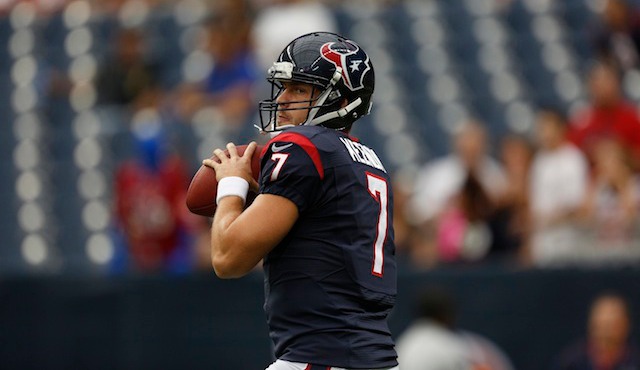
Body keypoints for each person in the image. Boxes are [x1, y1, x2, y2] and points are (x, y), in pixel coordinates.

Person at [202, 32, 398, 370]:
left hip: (320, 355)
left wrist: (231, 186)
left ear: (339, 98)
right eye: (285, 87)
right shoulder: (367, 158)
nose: (281, 100)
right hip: (371, 356)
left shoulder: (303, 145)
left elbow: (227, 257)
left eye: (299, 89)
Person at [528, 108, 589, 267]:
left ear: (560, 128)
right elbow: (536, 205)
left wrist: (552, 219)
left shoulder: (573, 159)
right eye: (541, 128)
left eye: (547, 127)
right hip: (543, 242)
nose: (543, 133)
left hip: (570, 240)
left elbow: (577, 204)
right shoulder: (539, 161)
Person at [567, 61, 640, 171]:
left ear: (617, 83)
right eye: (597, 82)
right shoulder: (582, 121)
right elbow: (569, 160)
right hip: (595, 184)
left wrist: (623, 153)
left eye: (607, 81)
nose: (603, 87)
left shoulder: (632, 117)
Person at [553, 292, 640, 370]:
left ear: (626, 325)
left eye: (611, 325)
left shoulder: (635, 361)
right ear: (590, 325)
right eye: (601, 324)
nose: (606, 332)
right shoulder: (571, 362)